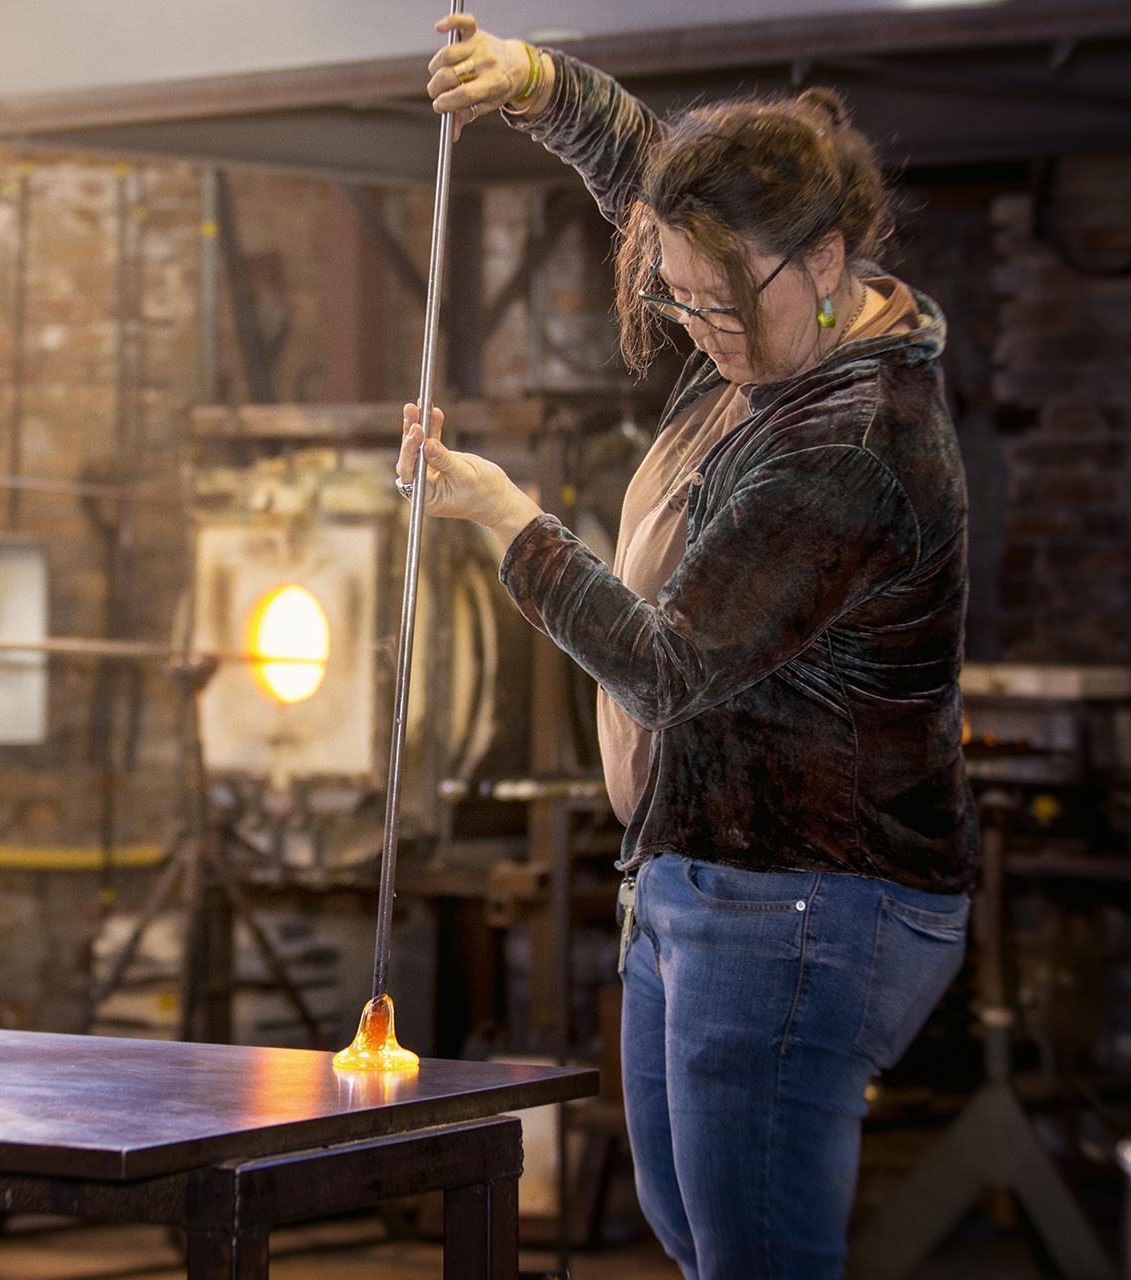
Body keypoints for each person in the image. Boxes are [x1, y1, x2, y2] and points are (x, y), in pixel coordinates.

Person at [402, 18, 976, 1279]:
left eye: (719, 302)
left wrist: (506, 519)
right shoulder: (771, 311)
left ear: (822, 260)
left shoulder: (851, 443)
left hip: (810, 895)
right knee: (696, 1236)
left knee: (755, 1260)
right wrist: (532, 81)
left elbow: (664, 665)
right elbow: (645, 166)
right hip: (701, 877)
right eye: (678, 293)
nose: (696, 324)